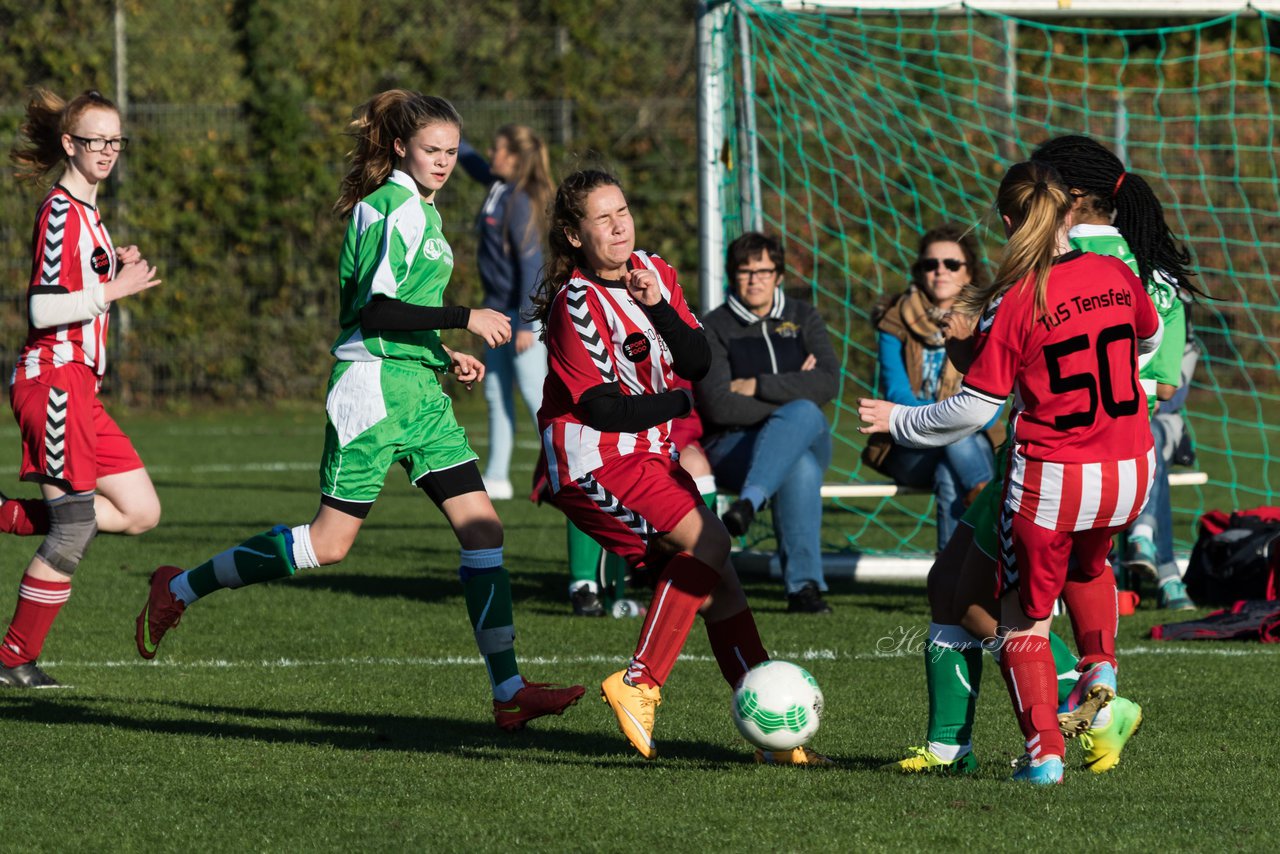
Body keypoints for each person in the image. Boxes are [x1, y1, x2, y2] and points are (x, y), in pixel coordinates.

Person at [132, 89, 584, 729]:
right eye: (432, 150)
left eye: (453, 152)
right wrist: (465, 317)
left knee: (484, 530)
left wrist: (442, 353)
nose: (445, 162)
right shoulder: (388, 210)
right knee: (329, 544)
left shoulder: (422, 212)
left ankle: (507, 690)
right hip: (372, 393)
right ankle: (177, 588)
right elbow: (373, 314)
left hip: (420, 395)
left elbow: (401, 312)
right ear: (401, 146)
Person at [888, 136, 1198, 777]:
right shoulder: (1129, 268)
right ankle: (968, 739)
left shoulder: (1023, 291)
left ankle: (1056, 733)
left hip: (1047, 469)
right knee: (957, 584)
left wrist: (901, 418)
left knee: (1002, 607)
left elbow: (984, 402)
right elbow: (1152, 352)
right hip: (1124, 461)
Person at [532, 170, 828, 764]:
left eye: (624, 212)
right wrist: (674, 404)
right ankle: (640, 681)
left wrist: (658, 306)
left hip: (649, 456)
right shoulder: (576, 305)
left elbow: (694, 358)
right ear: (573, 235)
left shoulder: (653, 269)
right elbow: (601, 408)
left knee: (721, 581)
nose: (619, 227)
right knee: (711, 544)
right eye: (602, 219)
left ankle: (773, 733)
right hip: (595, 461)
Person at [0, 89, 163, 688]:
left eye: (115, 140)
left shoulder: (88, 215)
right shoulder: (62, 212)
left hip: (78, 388)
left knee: (141, 511)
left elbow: (77, 283)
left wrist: (109, 271)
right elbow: (42, 309)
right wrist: (114, 290)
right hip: (51, 379)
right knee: (73, 526)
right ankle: (13, 659)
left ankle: (8, 516)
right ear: (70, 144)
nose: (108, 150)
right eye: (95, 140)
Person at [1030, 135, 1204, 612]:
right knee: (1091, 579)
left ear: (1070, 198)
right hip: (1129, 458)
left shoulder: (1046, 265)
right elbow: (1167, 384)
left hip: (1052, 451)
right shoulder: (1157, 273)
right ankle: (1157, 568)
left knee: (988, 600)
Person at [696, 232, 839, 614]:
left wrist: (758, 385)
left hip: (806, 436)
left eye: (764, 270)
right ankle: (804, 588)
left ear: (778, 275)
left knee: (806, 414)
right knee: (800, 456)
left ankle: (748, 503)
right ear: (732, 276)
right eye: (745, 271)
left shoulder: (802, 316)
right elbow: (720, 406)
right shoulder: (713, 327)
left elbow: (827, 381)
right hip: (734, 445)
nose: (755, 279)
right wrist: (793, 394)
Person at [871, 224, 996, 552]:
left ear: (969, 272)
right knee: (962, 421)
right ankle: (989, 502)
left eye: (951, 264)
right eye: (931, 264)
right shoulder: (894, 320)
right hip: (909, 445)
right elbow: (897, 396)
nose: (940, 271)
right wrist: (950, 414)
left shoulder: (988, 320)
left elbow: (993, 407)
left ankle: (950, 579)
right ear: (920, 271)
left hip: (965, 444)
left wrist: (954, 414)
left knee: (949, 472)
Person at [562, 375, 717, 617]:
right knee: (587, 470)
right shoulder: (595, 341)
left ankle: (677, 573)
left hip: (662, 442)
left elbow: (688, 397)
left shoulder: (669, 343)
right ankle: (583, 585)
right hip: (597, 441)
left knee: (696, 469)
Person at [457, 125, 555, 501]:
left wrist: (529, 323)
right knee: (497, 394)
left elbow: (532, 266)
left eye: (498, 149)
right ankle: (497, 476)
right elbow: (470, 161)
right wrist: (434, 122)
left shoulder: (522, 201)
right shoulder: (499, 186)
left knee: (536, 396)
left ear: (515, 158)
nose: (491, 154)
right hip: (495, 314)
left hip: (521, 319)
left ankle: (566, 467)